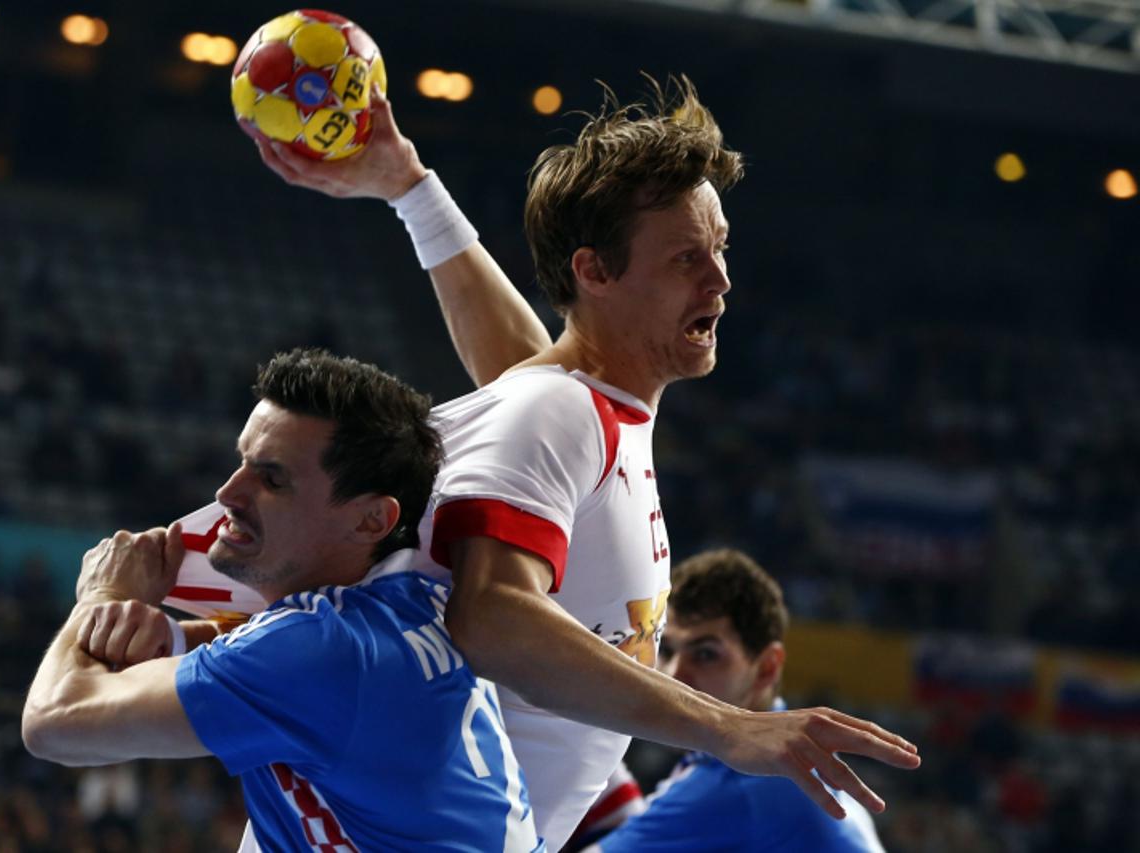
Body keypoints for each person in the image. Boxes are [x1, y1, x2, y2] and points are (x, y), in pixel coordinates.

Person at [209, 75, 921, 849]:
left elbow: (529, 370)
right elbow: (491, 614)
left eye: (719, 248)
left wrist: (414, 192)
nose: (720, 279)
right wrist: (730, 727)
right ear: (595, 272)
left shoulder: (572, 404)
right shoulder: (557, 412)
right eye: (688, 257)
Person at [23, 348, 543, 853]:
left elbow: (54, 722)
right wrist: (180, 638)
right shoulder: (419, 595)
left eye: (272, 479)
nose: (228, 492)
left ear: (369, 520)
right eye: (242, 462)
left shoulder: (315, 651)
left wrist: (102, 595)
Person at [576, 549, 886, 851]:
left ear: (766, 668)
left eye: (706, 655)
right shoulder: (790, 768)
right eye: (666, 650)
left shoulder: (742, 786)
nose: (672, 674)